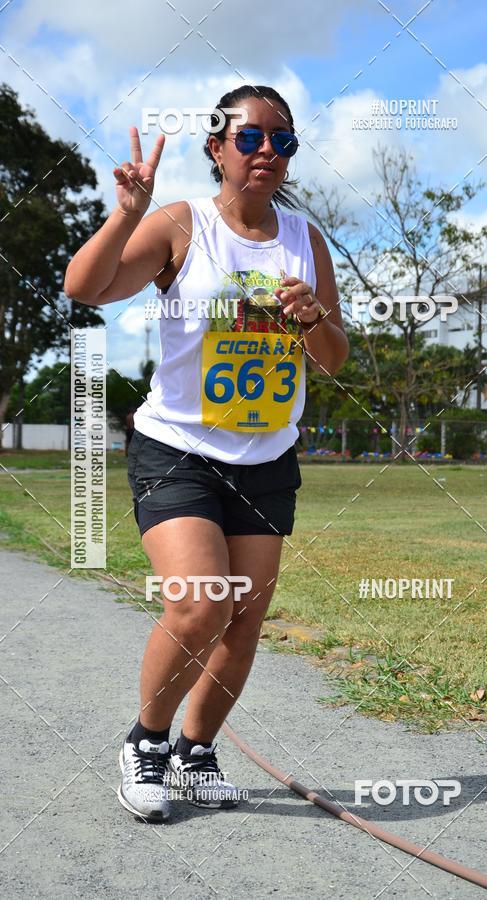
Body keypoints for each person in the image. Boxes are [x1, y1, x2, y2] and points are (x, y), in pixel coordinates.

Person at [64, 84, 349, 822]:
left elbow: (333, 358)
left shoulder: (305, 240)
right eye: (250, 138)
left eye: (282, 141)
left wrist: (313, 315)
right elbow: (86, 287)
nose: (267, 152)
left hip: (266, 458)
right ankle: (146, 742)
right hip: (178, 449)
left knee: (245, 619)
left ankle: (196, 751)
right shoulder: (181, 224)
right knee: (200, 605)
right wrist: (126, 213)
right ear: (217, 148)